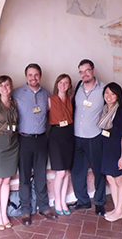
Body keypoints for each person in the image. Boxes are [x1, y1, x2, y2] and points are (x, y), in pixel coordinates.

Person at [13, 63, 57, 226]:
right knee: (24, 176)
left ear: (40, 76)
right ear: (26, 77)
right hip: (24, 139)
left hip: (41, 139)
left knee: (40, 175)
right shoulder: (16, 93)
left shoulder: (46, 94)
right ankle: (25, 210)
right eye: (30, 75)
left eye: (36, 74)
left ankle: (44, 207)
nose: (33, 78)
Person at [69, 59, 107, 216]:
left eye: (87, 70)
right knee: (77, 171)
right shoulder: (77, 87)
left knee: (99, 171)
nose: (84, 74)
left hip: (94, 137)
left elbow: (114, 109)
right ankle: (83, 201)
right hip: (77, 137)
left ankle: (99, 202)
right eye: (81, 71)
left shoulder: (104, 89)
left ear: (93, 71)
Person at [97, 82, 122, 222]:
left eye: (112, 93)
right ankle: (116, 208)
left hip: (118, 151)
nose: (109, 96)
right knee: (110, 179)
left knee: (120, 181)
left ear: (118, 96)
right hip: (107, 150)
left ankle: (119, 211)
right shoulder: (105, 110)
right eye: (107, 93)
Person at [0, 75, 19, 231]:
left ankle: (4, 214)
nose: (4, 88)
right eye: (1, 85)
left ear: (11, 87)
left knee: (7, 180)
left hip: (13, 144)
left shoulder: (14, 102)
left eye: (7, 85)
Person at [48, 74, 74, 216]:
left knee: (67, 172)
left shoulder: (71, 100)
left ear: (69, 85)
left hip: (69, 135)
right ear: (57, 84)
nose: (63, 85)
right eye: (61, 82)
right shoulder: (50, 100)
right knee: (60, 172)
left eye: (66, 83)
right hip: (56, 136)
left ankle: (63, 201)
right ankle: (57, 201)